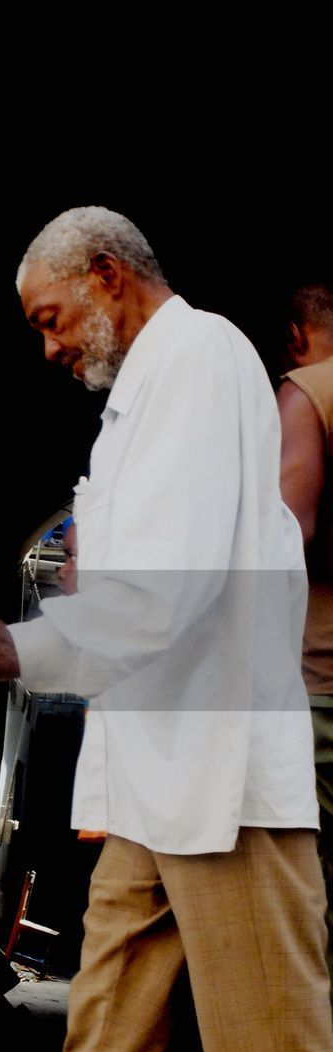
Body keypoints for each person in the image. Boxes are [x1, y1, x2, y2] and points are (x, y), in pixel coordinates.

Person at [0, 208, 333, 1052]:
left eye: (52, 317)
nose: (49, 344)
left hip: (219, 775)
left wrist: (20, 651)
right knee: (102, 1042)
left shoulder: (200, 359)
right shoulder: (137, 403)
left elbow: (171, 585)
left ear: (107, 276)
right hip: (157, 772)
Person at [278, 283, 333, 973]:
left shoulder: (307, 392)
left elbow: (287, 532)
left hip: (317, 683)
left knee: (308, 903)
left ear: (296, 335)